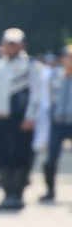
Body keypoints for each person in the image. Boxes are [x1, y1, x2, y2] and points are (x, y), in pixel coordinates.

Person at [0, 28, 46, 210]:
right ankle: (7, 193)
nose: (10, 47)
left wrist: (30, 117)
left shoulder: (31, 66)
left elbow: (36, 95)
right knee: (1, 157)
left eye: (14, 44)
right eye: (8, 43)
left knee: (19, 157)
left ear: (22, 45)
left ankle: (17, 194)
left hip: (19, 120)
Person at [40, 44, 72, 203]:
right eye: (68, 57)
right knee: (50, 159)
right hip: (58, 122)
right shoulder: (54, 76)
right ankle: (50, 190)